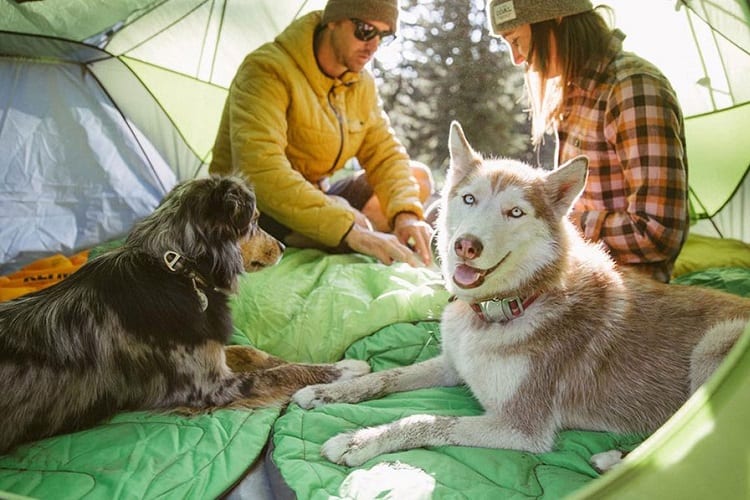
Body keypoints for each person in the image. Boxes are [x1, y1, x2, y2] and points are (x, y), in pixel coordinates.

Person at [210, 0, 434, 267]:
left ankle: (347, 237)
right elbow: (260, 171)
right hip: (257, 209)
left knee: (417, 179)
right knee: (349, 218)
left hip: (317, 196)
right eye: (365, 30)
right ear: (334, 20)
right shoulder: (267, 69)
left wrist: (406, 215)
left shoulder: (362, 84)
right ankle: (346, 238)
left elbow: (385, 154)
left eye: (384, 36)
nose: (373, 45)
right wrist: (349, 227)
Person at [486, 0, 689, 282]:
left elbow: (656, 233)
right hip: (577, 281)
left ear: (554, 16)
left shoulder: (633, 88)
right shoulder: (577, 93)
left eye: (516, 41)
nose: (517, 59)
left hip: (622, 296)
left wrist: (555, 221)